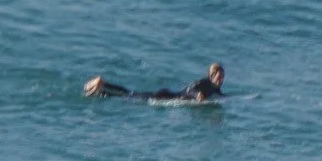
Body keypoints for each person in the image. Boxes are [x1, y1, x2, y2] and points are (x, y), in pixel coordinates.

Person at [85, 63, 224, 102]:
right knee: (130, 95)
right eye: (218, 77)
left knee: (127, 96)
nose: (221, 80)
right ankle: (103, 84)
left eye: (222, 77)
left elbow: (221, 96)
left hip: (168, 95)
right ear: (211, 76)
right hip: (165, 96)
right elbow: (192, 89)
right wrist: (197, 95)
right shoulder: (204, 83)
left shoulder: (214, 88)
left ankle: (101, 90)